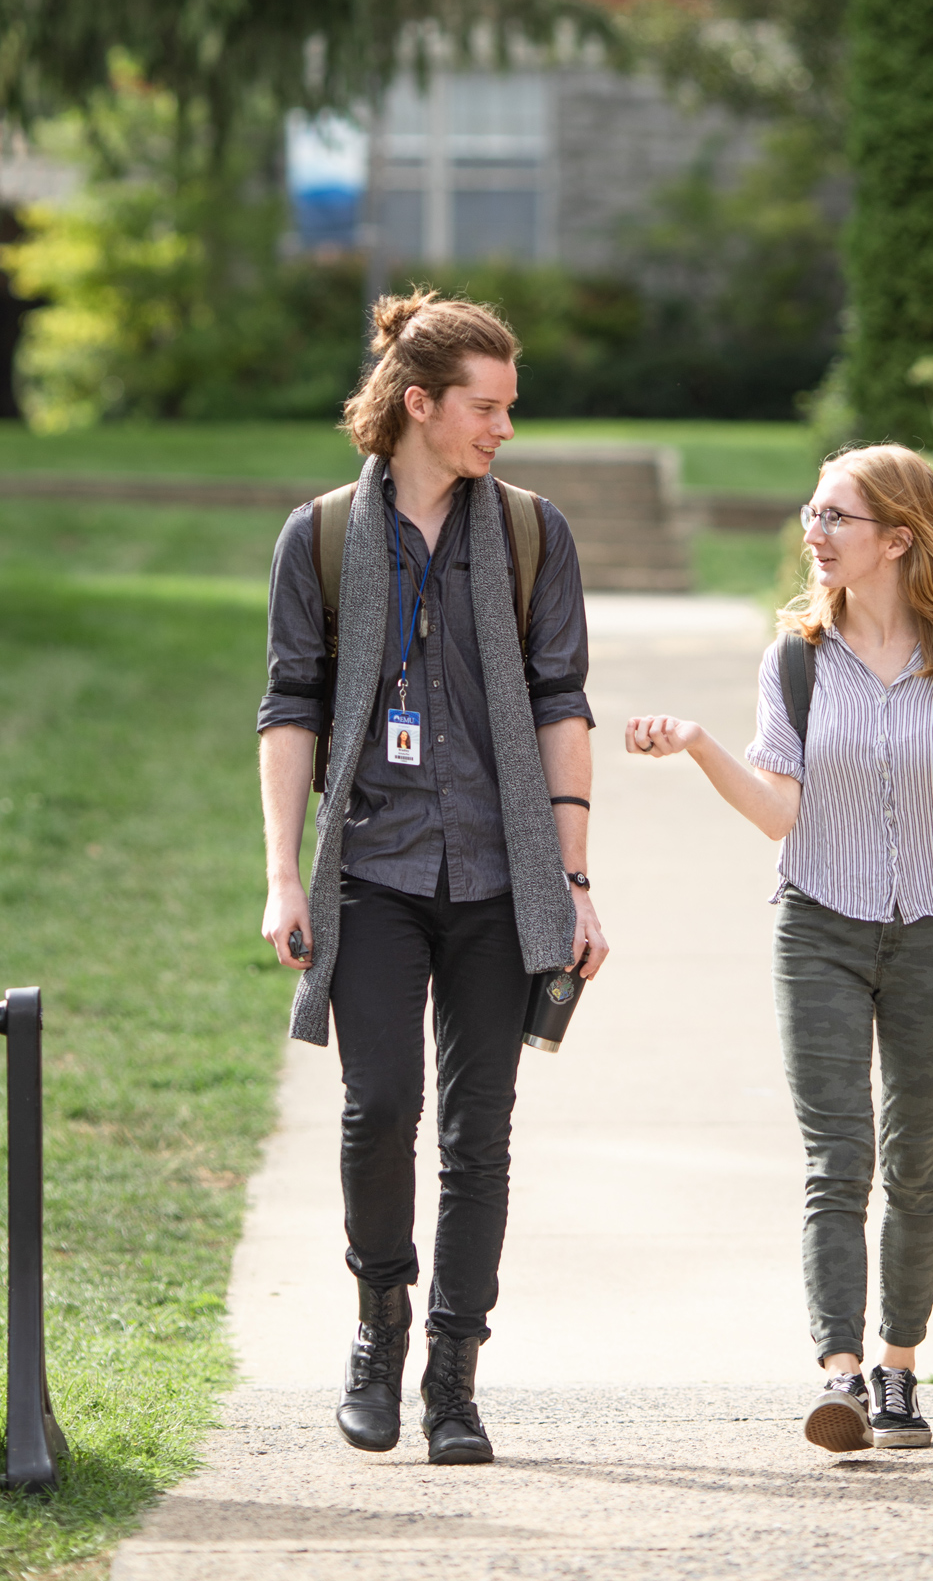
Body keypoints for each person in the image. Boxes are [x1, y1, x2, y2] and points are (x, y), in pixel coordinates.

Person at [258, 290, 607, 1466]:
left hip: (502, 874)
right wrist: (281, 876)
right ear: (421, 405)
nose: (504, 428)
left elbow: (561, 700)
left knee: (480, 1129)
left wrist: (572, 876)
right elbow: (290, 708)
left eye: (508, 408)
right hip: (375, 868)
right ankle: (378, 1331)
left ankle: (454, 1378)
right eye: (487, 408)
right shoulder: (317, 539)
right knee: (377, 1110)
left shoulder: (528, 533)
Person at [625, 443, 933, 1455]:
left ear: (899, 538)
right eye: (811, 513)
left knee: (917, 1161)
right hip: (821, 926)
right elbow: (777, 811)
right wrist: (701, 746)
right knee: (835, 1159)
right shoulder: (796, 661)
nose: (814, 532)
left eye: (837, 517)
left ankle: (899, 1370)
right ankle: (839, 1376)